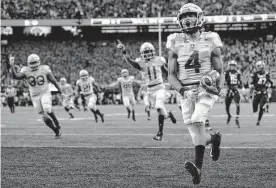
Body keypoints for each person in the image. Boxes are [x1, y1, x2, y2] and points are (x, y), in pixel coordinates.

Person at [166, 3, 223, 184]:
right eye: (183, 16)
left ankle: (198, 168)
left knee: (198, 120)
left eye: (190, 15)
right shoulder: (174, 41)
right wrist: (183, 91)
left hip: (205, 88)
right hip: (186, 92)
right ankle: (213, 138)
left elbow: (220, 70)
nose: (187, 19)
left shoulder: (211, 38)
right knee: (196, 135)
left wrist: (217, 88)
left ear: (199, 17)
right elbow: (171, 76)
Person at [117, 41, 177, 141]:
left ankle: (160, 133)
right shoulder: (141, 63)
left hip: (160, 87)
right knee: (160, 111)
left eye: (149, 51)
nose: (148, 54)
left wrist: (174, 82)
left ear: (153, 51)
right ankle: (168, 115)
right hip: (150, 91)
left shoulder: (159, 60)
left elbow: (167, 73)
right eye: (146, 52)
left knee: (158, 106)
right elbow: (130, 61)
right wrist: (124, 51)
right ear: (142, 54)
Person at [9, 54, 62, 138]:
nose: (33, 65)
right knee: (43, 116)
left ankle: (56, 120)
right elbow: (16, 76)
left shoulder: (44, 69)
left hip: (45, 92)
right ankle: (56, 130)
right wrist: (11, 65)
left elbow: (53, 80)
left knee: (47, 109)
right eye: (32, 63)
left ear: (38, 62)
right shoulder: (25, 70)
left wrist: (60, 90)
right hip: (34, 96)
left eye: (34, 62)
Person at [250, 61, 274, 126]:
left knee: (261, 107)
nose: (258, 67)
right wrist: (252, 86)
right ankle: (265, 106)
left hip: (264, 92)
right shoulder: (255, 74)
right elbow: (252, 82)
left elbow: (270, 82)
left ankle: (258, 121)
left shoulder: (266, 74)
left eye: (259, 66)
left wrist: (271, 85)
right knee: (254, 107)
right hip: (257, 92)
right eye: (258, 66)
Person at [224, 60, 244, 128]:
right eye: (231, 65)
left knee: (238, 105)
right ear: (229, 66)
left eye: (233, 65)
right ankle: (229, 115)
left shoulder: (238, 73)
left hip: (235, 90)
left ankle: (237, 119)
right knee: (227, 106)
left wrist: (241, 84)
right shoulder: (226, 72)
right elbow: (224, 80)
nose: (232, 67)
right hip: (229, 91)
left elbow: (240, 82)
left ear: (235, 66)